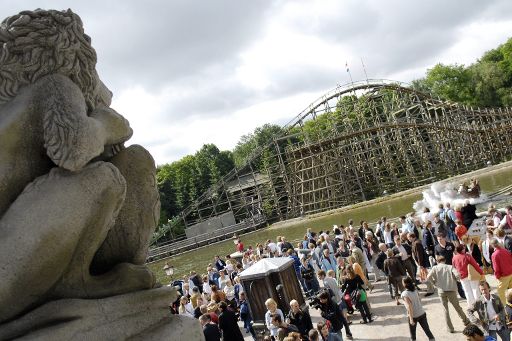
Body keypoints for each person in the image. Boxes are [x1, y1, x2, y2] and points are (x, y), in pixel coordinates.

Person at [427, 255, 470, 333]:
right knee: (457, 307)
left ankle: (450, 328)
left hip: (441, 291)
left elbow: (428, 277)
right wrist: (455, 280)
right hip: (451, 289)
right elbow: (458, 275)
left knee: (445, 310)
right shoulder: (450, 267)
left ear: (437, 261)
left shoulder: (435, 268)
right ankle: (466, 321)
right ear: (445, 260)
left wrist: (434, 283)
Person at [401, 277, 436, 341]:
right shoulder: (415, 290)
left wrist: (411, 319)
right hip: (422, 313)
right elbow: (419, 300)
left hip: (414, 315)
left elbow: (409, 307)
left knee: (413, 335)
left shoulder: (404, 294)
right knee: (427, 330)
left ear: (405, 284)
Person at [491, 238, 512, 305]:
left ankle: (504, 306)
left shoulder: (494, 254)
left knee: (500, 291)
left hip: (504, 275)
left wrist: (497, 276)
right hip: (510, 272)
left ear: (492, 245)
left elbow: (496, 267)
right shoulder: (505, 251)